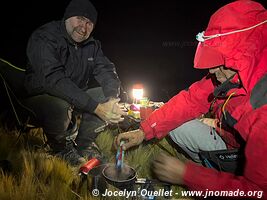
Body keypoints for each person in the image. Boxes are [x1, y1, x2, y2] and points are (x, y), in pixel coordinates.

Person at [115, 0, 267, 198]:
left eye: (220, 61)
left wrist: (188, 175)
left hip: (248, 166)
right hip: (229, 145)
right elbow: (190, 100)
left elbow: (259, 192)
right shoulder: (230, 75)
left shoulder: (262, 110)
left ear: (244, 57)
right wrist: (143, 132)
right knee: (177, 125)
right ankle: (213, 173)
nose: (211, 69)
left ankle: (213, 181)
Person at [23, 0, 127, 166]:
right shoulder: (44, 36)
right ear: (67, 17)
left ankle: (85, 145)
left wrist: (112, 99)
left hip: (73, 97)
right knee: (60, 105)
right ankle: (60, 148)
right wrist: (98, 108)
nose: (84, 28)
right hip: (39, 97)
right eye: (79, 18)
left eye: (89, 23)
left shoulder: (92, 45)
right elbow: (53, 79)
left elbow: (106, 69)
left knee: (104, 95)